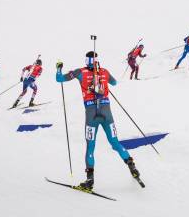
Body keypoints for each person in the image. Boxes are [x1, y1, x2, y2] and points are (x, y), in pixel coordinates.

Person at [56, 51, 141, 190]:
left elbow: (59, 79)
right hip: (107, 112)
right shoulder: (104, 71)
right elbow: (114, 83)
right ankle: (132, 167)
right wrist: (103, 81)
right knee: (115, 142)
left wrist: (59, 68)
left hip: (91, 113)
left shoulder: (79, 72)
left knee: (90, 146)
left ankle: (90, 181)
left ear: (86, 60)